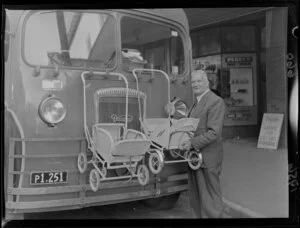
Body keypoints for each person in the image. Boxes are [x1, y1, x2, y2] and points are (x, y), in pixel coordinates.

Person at [180, 70, 226, 218]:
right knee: (197, 197)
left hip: (207, 158)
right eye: (193, 82)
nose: (196, 84)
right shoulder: (196, 102)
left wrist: (191, 143)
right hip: (196, 157)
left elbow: (214, 133)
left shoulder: (215, 101)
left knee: (210, 199)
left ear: (207, 82)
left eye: (199, 81)